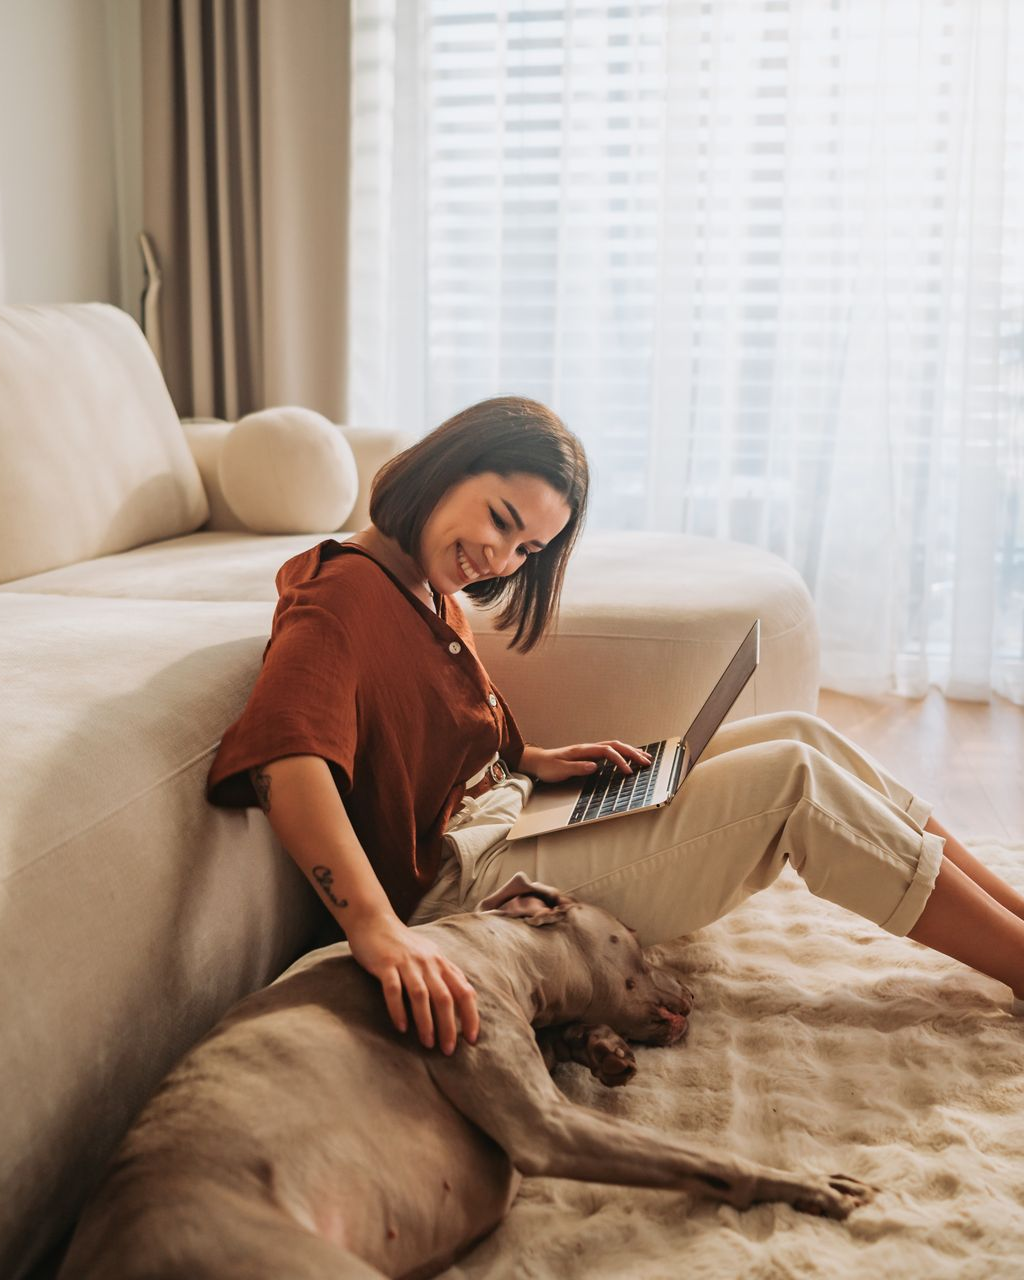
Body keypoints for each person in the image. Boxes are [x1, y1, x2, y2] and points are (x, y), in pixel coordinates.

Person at [207, 396, 1024, 1059]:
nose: (501, 559)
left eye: (527, 548)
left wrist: (529, 758)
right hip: (466, 895)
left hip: (505, 819)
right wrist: (375, 930)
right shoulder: (341, 597)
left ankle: (1013, 916)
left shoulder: (419, 587)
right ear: (443, 464)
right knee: (794, 787)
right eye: (500, 521)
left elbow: (426, 718)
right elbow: (288, 757)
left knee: (801, 736)